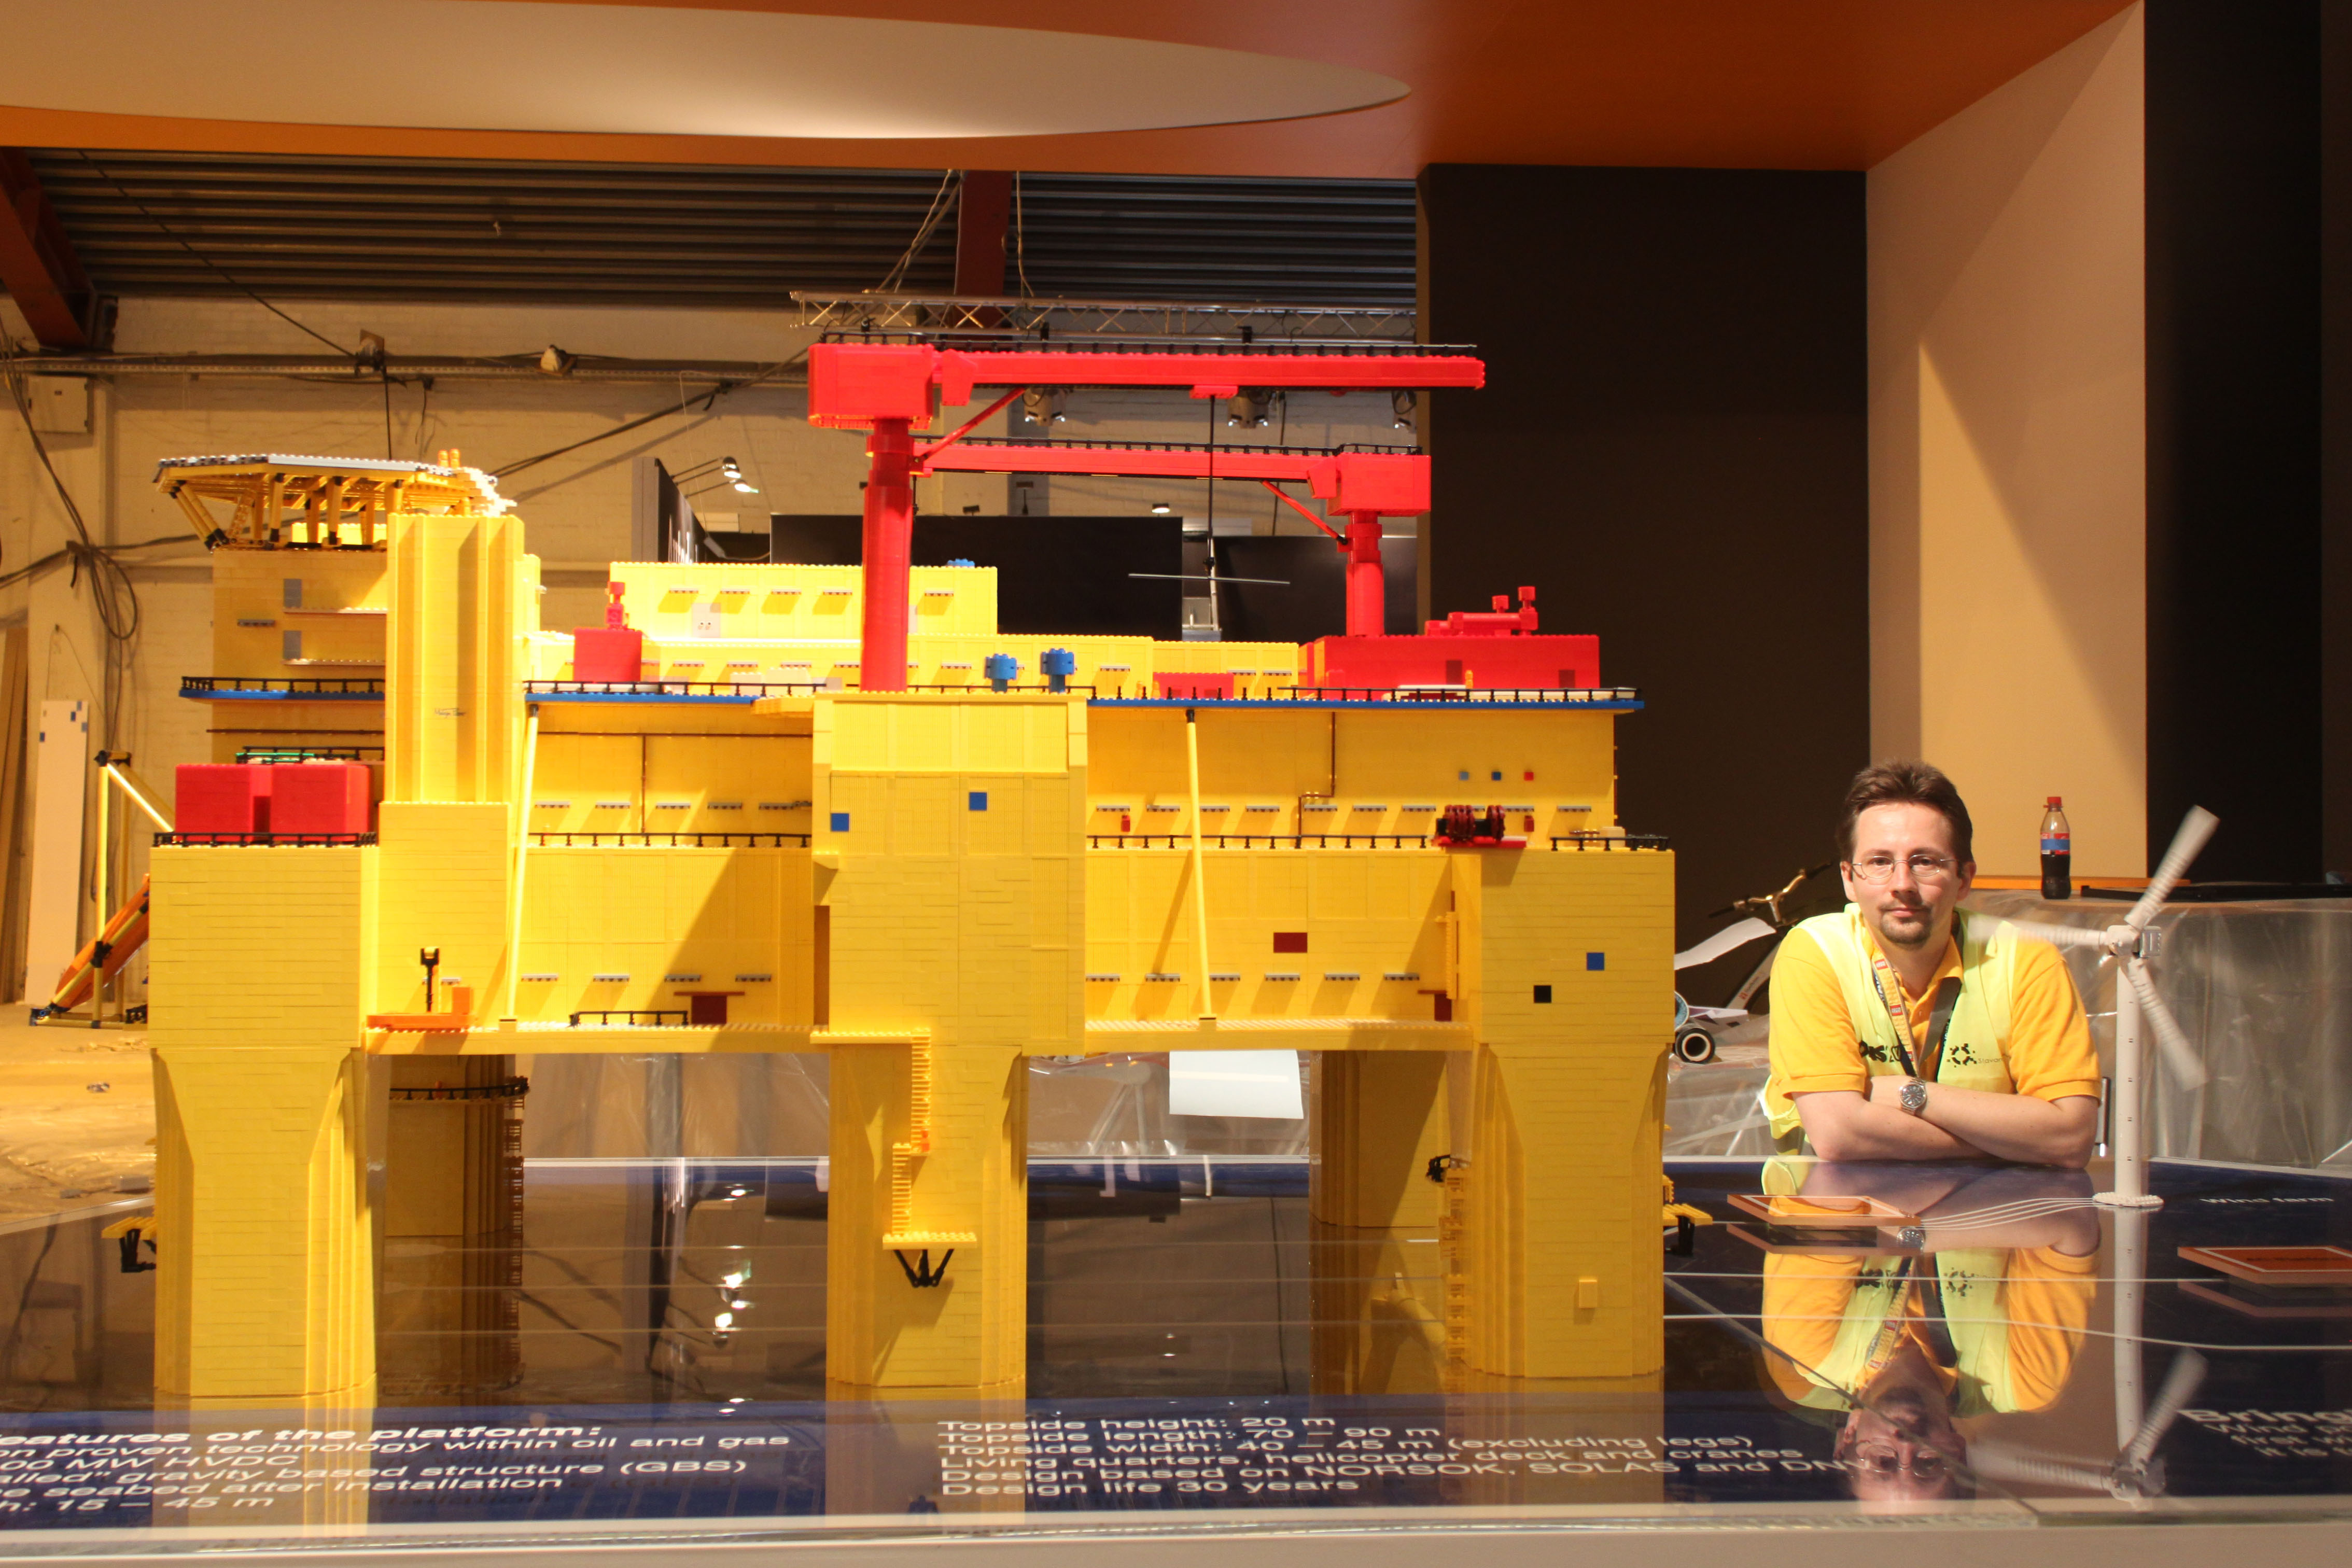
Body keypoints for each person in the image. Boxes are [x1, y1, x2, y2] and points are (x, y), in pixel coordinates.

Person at [1762, 760, 2100, 1166]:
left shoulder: (2027, 959)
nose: (1902, 884)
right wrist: (2009, 1143)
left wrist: (1912, 1095)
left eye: (1925, 862)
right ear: (1849, 879)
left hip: (1995, 1204)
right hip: (1843, 1203)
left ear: (1964, 879)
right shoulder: (1816, 952)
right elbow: (1838, 1135)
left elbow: (2070, 1137)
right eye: (1879, 862)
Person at [1756, 1162, 2099, 1502]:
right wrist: (1895, 1233)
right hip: (2014, 1141)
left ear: (1848, 1436)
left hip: (1879, 1139)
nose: (1906, 1446)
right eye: (1928, 1464)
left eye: (1883, 1462)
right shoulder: (2026, 1381)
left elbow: (1836, 1184)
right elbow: (2068, 1201)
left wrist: (1999, 1185)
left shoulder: (1811, 1360)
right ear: (1958, 1451)